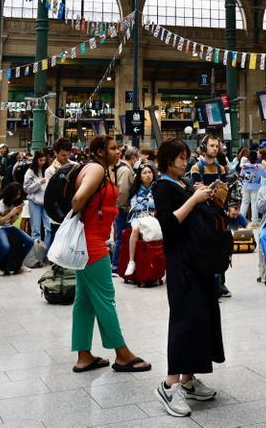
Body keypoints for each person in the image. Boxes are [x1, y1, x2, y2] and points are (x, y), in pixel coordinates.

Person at [150, 138, 223, 416]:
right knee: (184, 319)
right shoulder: (162, 186)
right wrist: (194, 199)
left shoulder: (182, 183)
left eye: (186, 157)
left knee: (202, 317)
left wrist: (202, 193)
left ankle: (188, 378)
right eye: (180, 158)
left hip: (198, 260)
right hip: (181, 261)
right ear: (168, 160)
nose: (185, 161)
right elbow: (169, 224)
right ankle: (169, 385)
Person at [69, 135, 151, 374]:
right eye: (113, 148)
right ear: (99, 151)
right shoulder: (95, 169)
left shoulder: (103, 170)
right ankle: (122, 353)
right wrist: (85, 216)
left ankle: (83, 355)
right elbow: (77, 200)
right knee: (106, 297)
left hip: (89, 240)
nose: (118, 151)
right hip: (91, 242)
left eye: (118, 148)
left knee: (84, 301)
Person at [124, 164, 159, 277]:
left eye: (150, 172)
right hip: (138, 217)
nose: (148, 175)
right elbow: (134, 206)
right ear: (140, 176)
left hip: (153, 217)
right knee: (135, 230)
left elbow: (157, 204)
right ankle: (131, 261)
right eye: (144, 173)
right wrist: (149, 202)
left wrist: (143, 201)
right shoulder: (135, 189)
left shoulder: (157, 188)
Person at [0, 183, 35, 272]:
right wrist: (12, 212)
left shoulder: (15, 203)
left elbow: (12, 222)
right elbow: (1, 221)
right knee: (5, 246)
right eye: (17, 194)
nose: (18, 196)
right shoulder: (1, 203)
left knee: (30, 241)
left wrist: (17, 213)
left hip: (9, 226)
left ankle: (19, 263)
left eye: (19, 194)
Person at [111, 147, 138, 274]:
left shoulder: (120, 168)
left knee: (121, 236)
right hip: (122, 209)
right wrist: (124, 207)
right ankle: (116, 265)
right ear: (133, 158)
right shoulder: (126, 171)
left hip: (119, 207)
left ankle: (118, 263)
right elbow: (122, 191)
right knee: (121, 237)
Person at [23, 150, 54, 245]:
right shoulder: (30, 171)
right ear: (36, 160)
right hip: (34, 201)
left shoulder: (47, 170)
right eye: (40, 160)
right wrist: (39, 182)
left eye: (44, 160)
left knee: (49, 228)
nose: (42, 162)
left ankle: (46, 251)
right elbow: (27, 188)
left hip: (46, 201)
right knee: (36, 229)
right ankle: (36, 253)